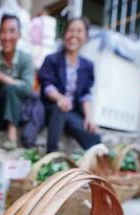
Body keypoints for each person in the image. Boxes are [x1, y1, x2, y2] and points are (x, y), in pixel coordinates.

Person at [38, 16, 100, 153]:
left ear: (86, 37)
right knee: (60, 109)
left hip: (72, 111)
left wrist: (88, 117)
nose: (74, 35)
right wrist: (60, 98)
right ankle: (51, 155)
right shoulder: (52, 60)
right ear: (64, 34)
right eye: (70, 30)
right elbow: (47, 85)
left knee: (94, 139)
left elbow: (85, 94)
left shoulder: (88, 66)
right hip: (51, 108)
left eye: (79, 31)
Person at [0, 14, 34, 151]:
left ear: (19, 34)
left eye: (11, 31)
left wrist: (2, 77)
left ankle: (12, 136)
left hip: (17, 114)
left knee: (11, 88)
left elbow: (28, 88)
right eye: (3, 31)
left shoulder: (25, 59)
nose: (6, 36)